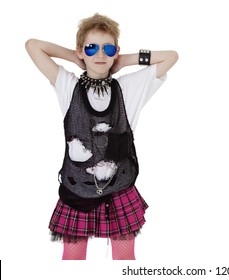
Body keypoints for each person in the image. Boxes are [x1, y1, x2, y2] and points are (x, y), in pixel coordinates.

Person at [25, 13, 178, 260]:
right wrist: (78, 59)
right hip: (78, 191)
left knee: (124, 259)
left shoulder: (128, 88)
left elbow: (172, 56)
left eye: (107, 48)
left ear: (115, 51)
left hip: (120, 189)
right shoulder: (68, 85)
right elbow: (33, 45)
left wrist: (121, 61)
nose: (99, 54)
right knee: (73, 259)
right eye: (91, 47)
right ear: (81, 50)